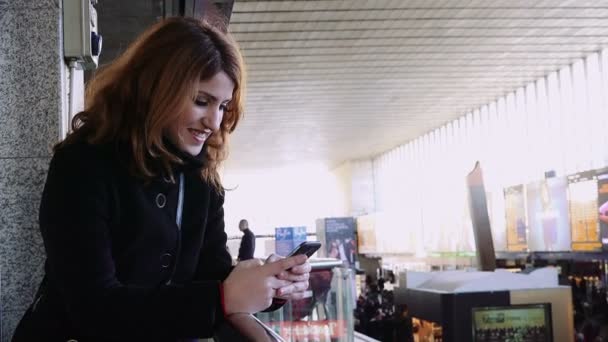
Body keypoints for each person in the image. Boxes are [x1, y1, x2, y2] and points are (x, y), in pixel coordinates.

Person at [13, 17, 311, 341]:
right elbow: (92, 308)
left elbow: (210, 274)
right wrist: (223, 299)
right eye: (202, 101)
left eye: (223, 106)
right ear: (157, 89)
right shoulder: (82, 165)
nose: (214, 121)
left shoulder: (202, 179)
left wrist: (268, 282)